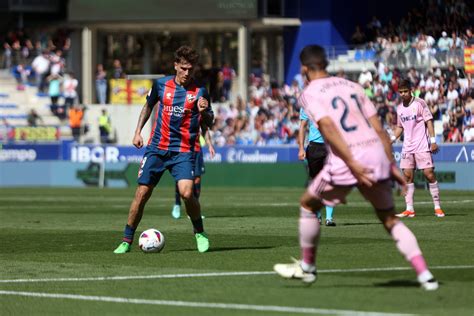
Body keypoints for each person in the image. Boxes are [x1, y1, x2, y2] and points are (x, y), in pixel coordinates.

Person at [273, 45, 438, 291]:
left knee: (308, 203)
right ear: (326, 65)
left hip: (346, 158)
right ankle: (425, 274)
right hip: (375, 152)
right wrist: (390, 163)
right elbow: (379, 128)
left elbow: (327, 127)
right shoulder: (353, 86)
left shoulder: (309, 92)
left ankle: (308, 268)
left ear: (304, 69)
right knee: (390, 219)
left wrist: (351, 163)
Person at [114, 45, 214, 254]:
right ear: (176, 65)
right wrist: (137, 131)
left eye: (191, 69)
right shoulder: (161, 85)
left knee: (187, 193)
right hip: (157, 149)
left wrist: (204, 112)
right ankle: (126, 240)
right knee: (141, 194)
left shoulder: (200, 91)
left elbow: (209, 120)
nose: (187, 73)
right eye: (184, 68)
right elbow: (148, 106)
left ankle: (200, 233)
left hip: (183, 151)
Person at [392, 79, 445, 218]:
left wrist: (433, 141)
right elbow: (399, 127)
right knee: (408, 176)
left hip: (422, 145)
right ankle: (409, 209)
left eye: (405, 91)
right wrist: (391, 139)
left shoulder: (420, 103)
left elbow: (429, 121)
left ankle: (437, 207)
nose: (403, 94)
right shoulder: (399, 108)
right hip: (407, 147)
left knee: (429, 173)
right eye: (400, 92)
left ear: (411, 90)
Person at [298, 107, 336, 226]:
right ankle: (318, 216)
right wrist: (301, 148)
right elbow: (303, 126)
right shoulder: (306, 105)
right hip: (314, 147)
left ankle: (329, 218)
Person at [171, 126, 215, 219]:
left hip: (197, 149)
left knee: (197, 179)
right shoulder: (182, 113)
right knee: (181, 178)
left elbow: (204, 129)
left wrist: (210, 145)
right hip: (182, 148)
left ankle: (193, 211)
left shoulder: (200, 114)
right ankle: (177, 204)